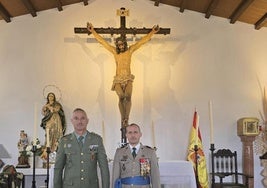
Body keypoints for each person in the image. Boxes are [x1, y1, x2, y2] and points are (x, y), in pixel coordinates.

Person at [87, 23, 159, 126]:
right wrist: (93, 31)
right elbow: (103, 42)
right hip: (118, 79)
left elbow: (141, 42)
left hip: (128, 78)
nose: (120, 46)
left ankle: (127, 118)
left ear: (125, 44)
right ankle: (123, 118)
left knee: (128, 97)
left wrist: (152, 32)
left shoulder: (129, 51)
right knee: (121, 97)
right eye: (118, 44)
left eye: (122, 44)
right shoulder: (115, 52)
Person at [53, 108, 110, 188]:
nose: (80, 121)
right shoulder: (64, 141)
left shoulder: (96, 140)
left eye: (82, 118)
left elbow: (104, 167)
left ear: (87, 121)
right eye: (76, 118)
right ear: (72, 121)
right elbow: (58, 168)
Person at [112, 123, 160, 188]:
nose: (133, 135)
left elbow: (155, 177)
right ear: (126, 135)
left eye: (135, 132)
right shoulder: (119, 152)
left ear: (140, 134)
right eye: (130, 132)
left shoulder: (150, 152)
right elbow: (115, 177)